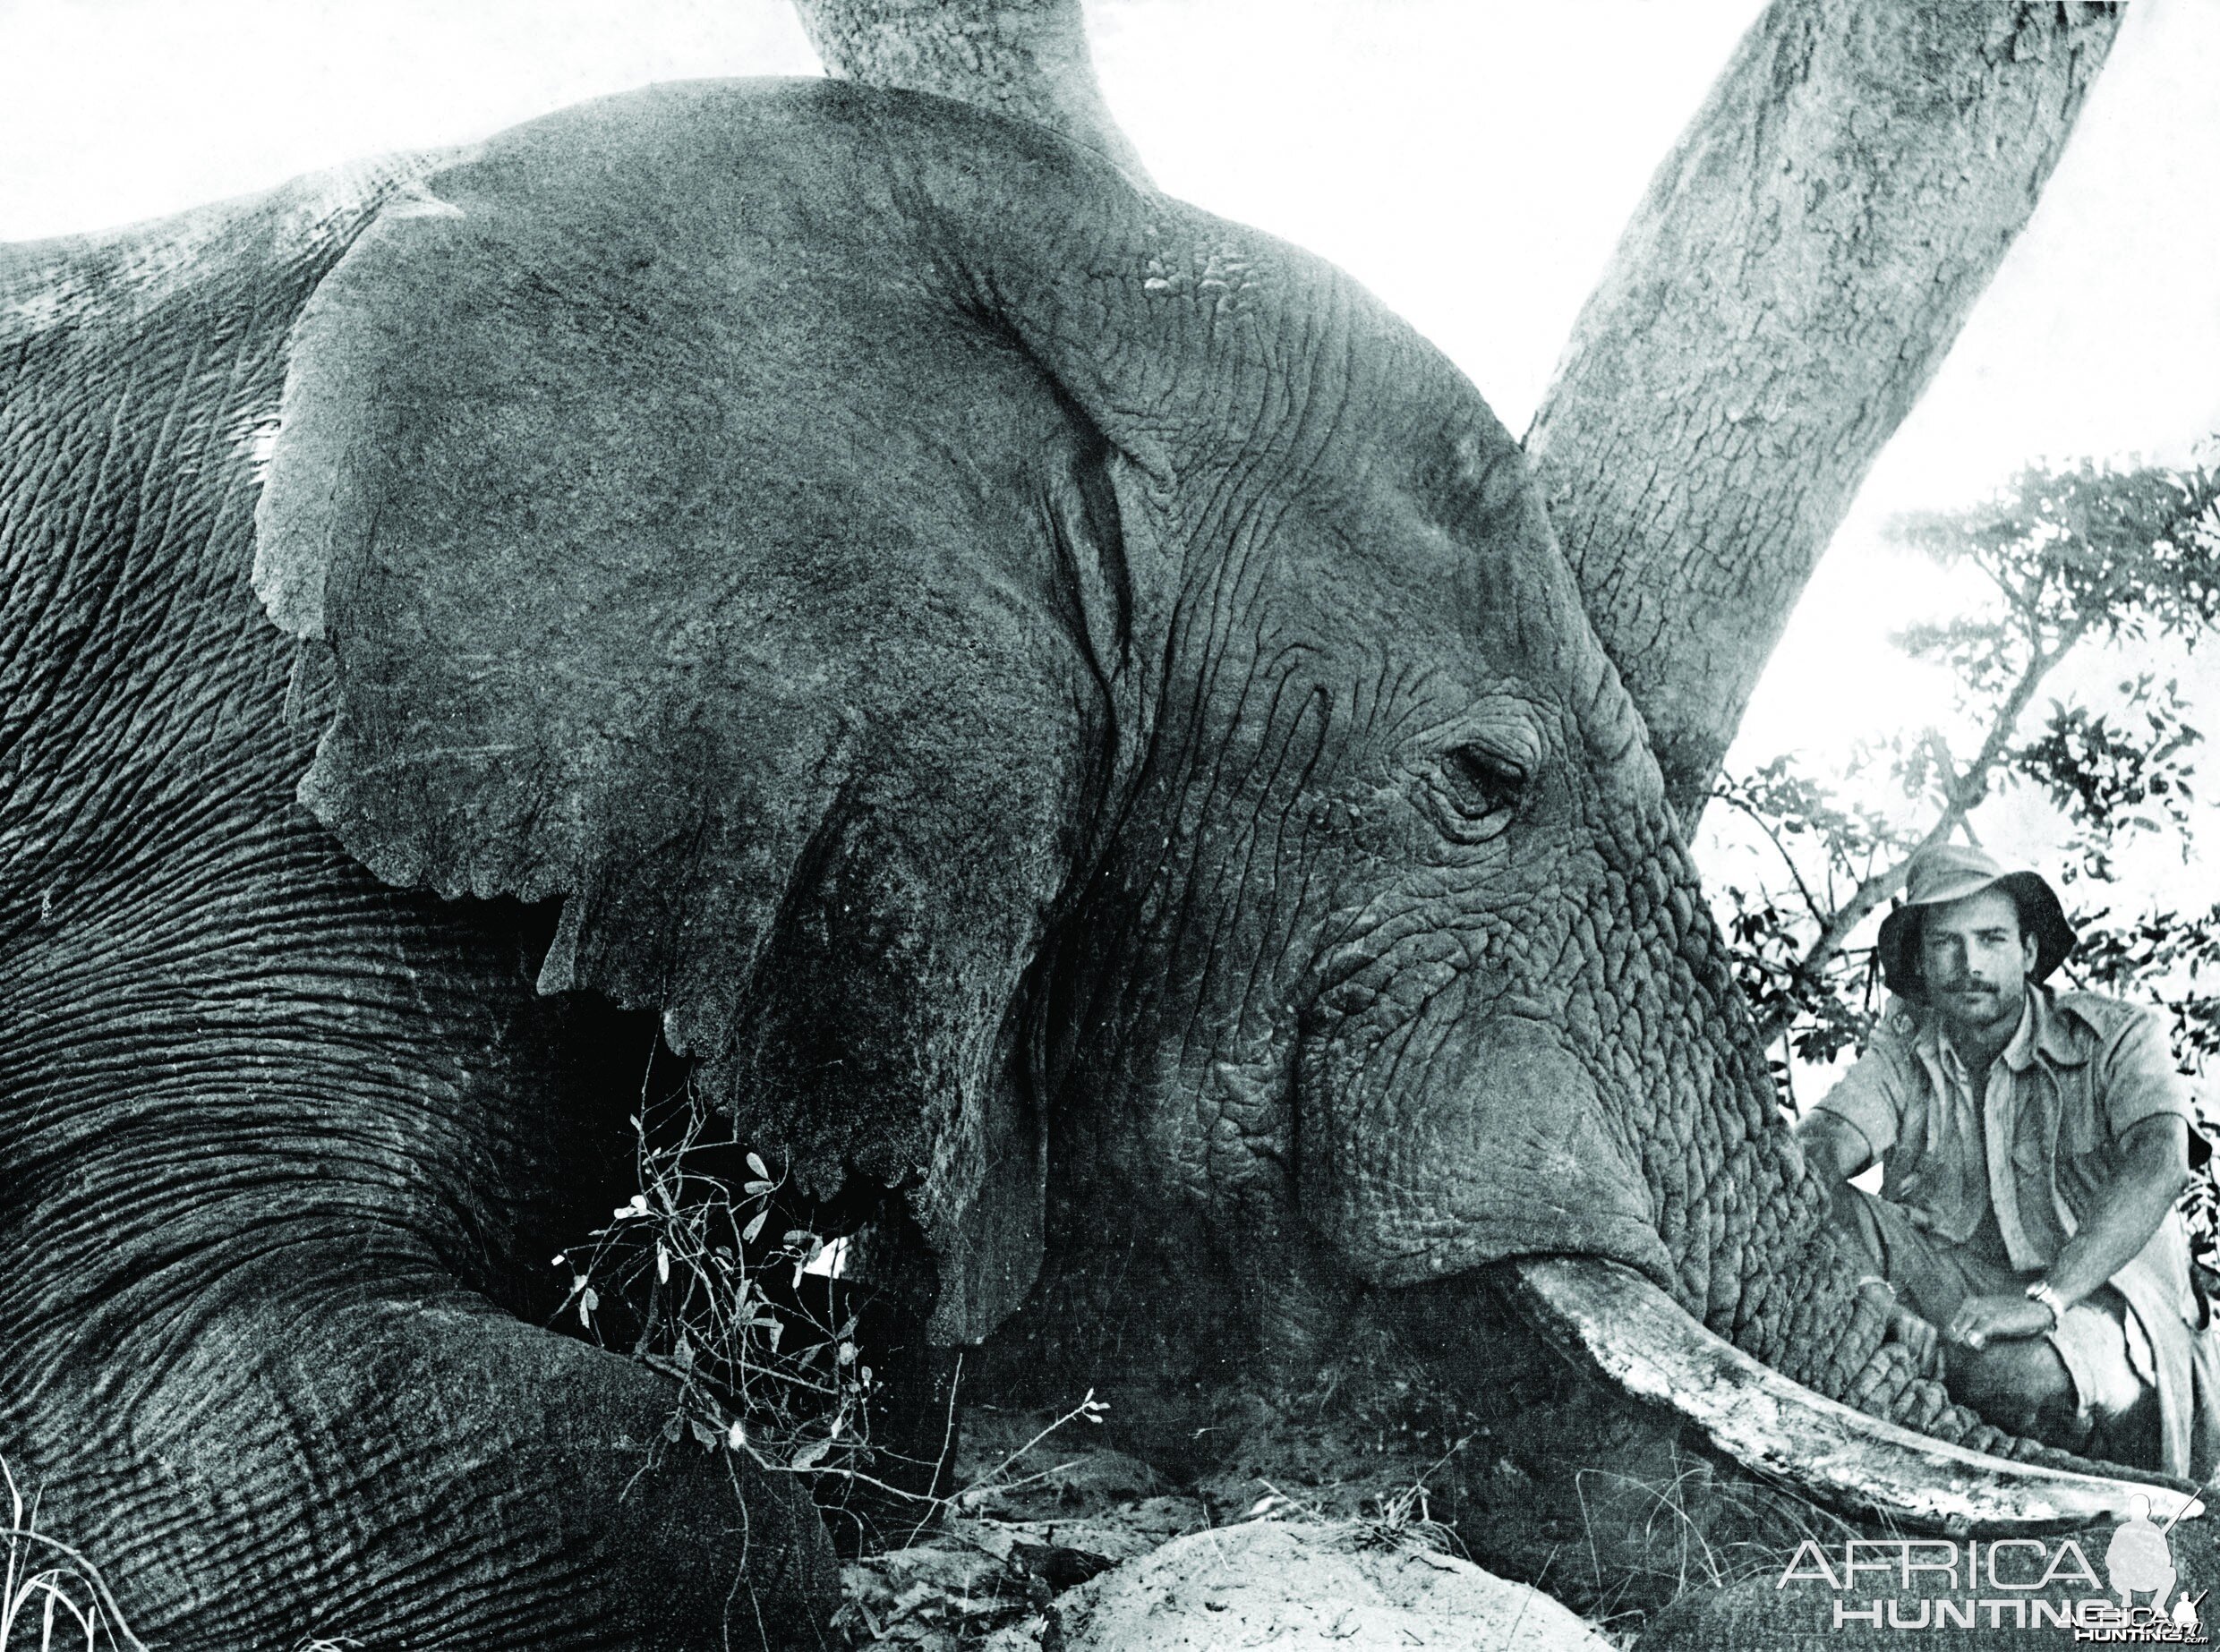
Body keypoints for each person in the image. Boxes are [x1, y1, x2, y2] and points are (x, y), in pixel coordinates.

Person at [1795, 843, 2216, 1473]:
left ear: (2029, 952)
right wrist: (1865, 1293)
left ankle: (1925, 1375)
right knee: (1806, 1185)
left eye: (1991, 939)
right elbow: (1822, 1147)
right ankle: (1903, 1356)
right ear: (1920, 960)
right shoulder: (1906, 1046)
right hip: (1954, 1300)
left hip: (2098, 1305)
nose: (1970, 965)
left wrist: (2047, 1300)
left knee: (2007, 1378)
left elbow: (2160, 1163)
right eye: (1945, 944)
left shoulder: (2119, 1036)